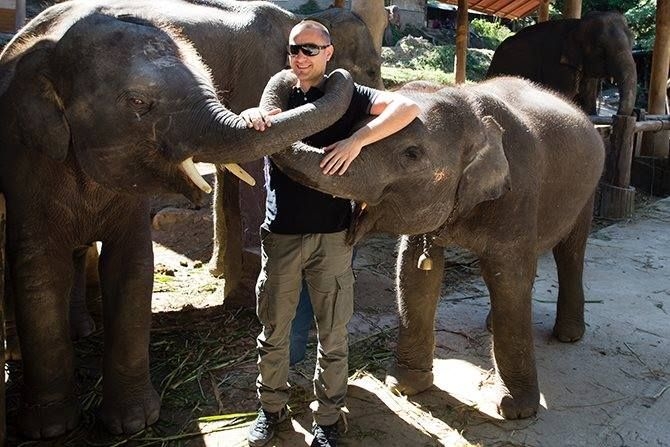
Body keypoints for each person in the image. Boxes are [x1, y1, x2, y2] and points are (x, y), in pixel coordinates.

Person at [244, 20, 420, 447]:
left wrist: (357, 140)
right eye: (293, 50)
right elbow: (261, 121)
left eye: (309, 49)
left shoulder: (349, 95)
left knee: (334, 333)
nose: (300, 57)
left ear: (329, 52)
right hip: (281, 234)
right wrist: (253, 116)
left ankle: (327, 418)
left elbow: (408, 107)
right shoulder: (281, 93)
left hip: (333, 236)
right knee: (274, 330)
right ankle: (271, 409)